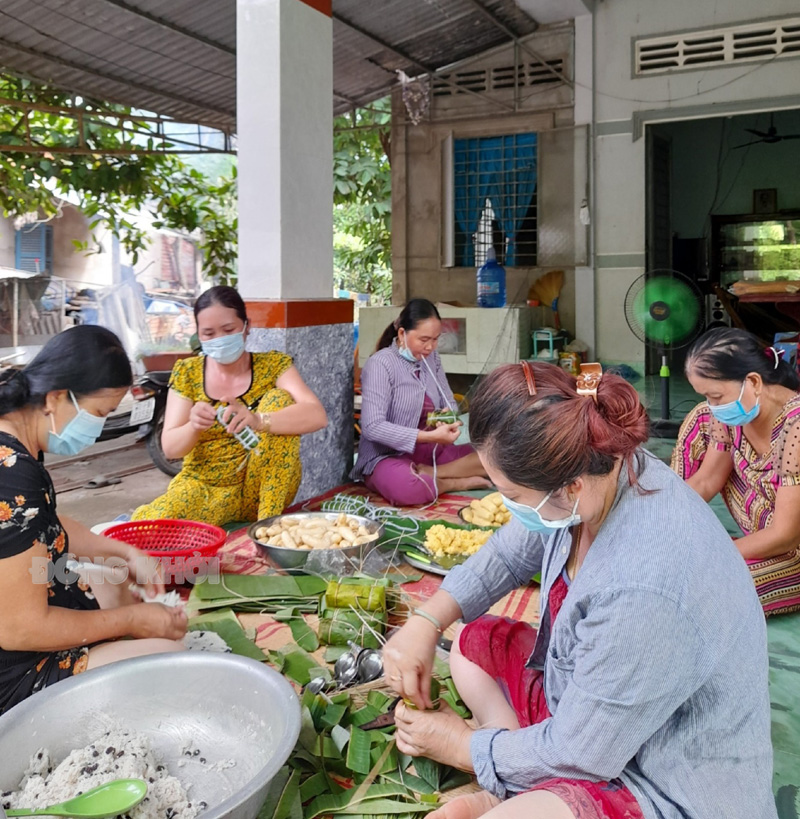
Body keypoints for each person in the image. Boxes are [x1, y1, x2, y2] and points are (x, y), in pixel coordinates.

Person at [382, 361, 776, 819]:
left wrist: (462, 747)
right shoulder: (599, 468)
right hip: (586, 711)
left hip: (661, 777)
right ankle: (513, 783)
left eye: (512, 494)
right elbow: (511, 553)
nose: (509, 505)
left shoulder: (642, 586)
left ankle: (512, 789)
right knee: (471, 646)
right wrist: (427, 621)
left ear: (569, 487)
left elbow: (584, 753)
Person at [0, 326, 187, 716]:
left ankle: (107, 645)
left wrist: (123, 551)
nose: (98, 427)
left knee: (114, 576)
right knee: (170, 656)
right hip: (13, 667)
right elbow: (20, 628)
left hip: (23, 603)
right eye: (99, 414)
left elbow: (43, 523)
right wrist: (134, 619)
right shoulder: (12, 471)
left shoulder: (18, 433)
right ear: (55, 398)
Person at [133, 286, 327, 526]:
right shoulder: (188, 373)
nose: (219, 340)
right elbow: (171, 449)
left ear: (247, 327)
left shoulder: (273, 365)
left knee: (279, 400)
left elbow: (317, 415)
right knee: (151, 526)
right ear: (199, 336)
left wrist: (259, 420)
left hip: (263, 487)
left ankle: (268, 528)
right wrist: (194, 425)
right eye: (209, 333)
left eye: (228, 330)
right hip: (206, 488)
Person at [671, 327, 800, 616]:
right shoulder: (730, 415)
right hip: (764, 523)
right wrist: (659, 519)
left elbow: (786, 534)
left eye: (716, 396)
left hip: (793, 545)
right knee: (699, 420)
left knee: (710, 592)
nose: (713, 405)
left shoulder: (796, 426)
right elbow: (706, 481)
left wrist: (716, 555)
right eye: (706, 395)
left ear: (753, 381)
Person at [351, 299, 489, 505]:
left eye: (435, 339)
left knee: (494, 456)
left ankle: (433, 473)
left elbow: (448, 400)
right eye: (423, 339)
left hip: (431, 452)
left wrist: (446, 418)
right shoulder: (380, 364)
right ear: (401, 334)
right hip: (388, 457)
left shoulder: (431, 358)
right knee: (408, 487)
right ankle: (452, 483)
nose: (430, 347)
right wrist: (427, 436)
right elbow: (372, 427)